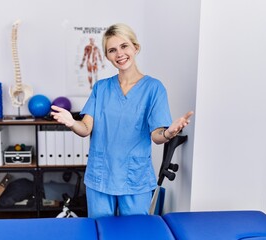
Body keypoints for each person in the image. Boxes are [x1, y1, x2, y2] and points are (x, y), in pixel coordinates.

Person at [51, 23, 193, 219]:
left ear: (135, 47)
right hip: (100, 177)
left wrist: (169, 133)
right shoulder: (101, 88)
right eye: (112, 50)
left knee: (134, 234)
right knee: (101, 233)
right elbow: (85, 128)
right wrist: (71, 122)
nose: (119, 54)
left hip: (135, 178)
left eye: (124, 46)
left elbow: (157, 136)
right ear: (107, 56)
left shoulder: (154, 88)